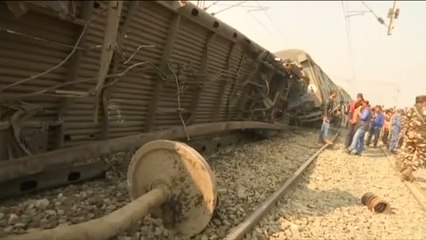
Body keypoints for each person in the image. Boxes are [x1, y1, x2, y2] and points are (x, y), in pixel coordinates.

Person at [397, 95, 426, 181]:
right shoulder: (424, 111)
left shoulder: (409, 110)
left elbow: (403, 123)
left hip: (410, 136)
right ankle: (408, 171)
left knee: (408, 154)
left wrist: (407, 132)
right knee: (422, 157)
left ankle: (405, 171)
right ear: (424, 102)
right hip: (422, 137)